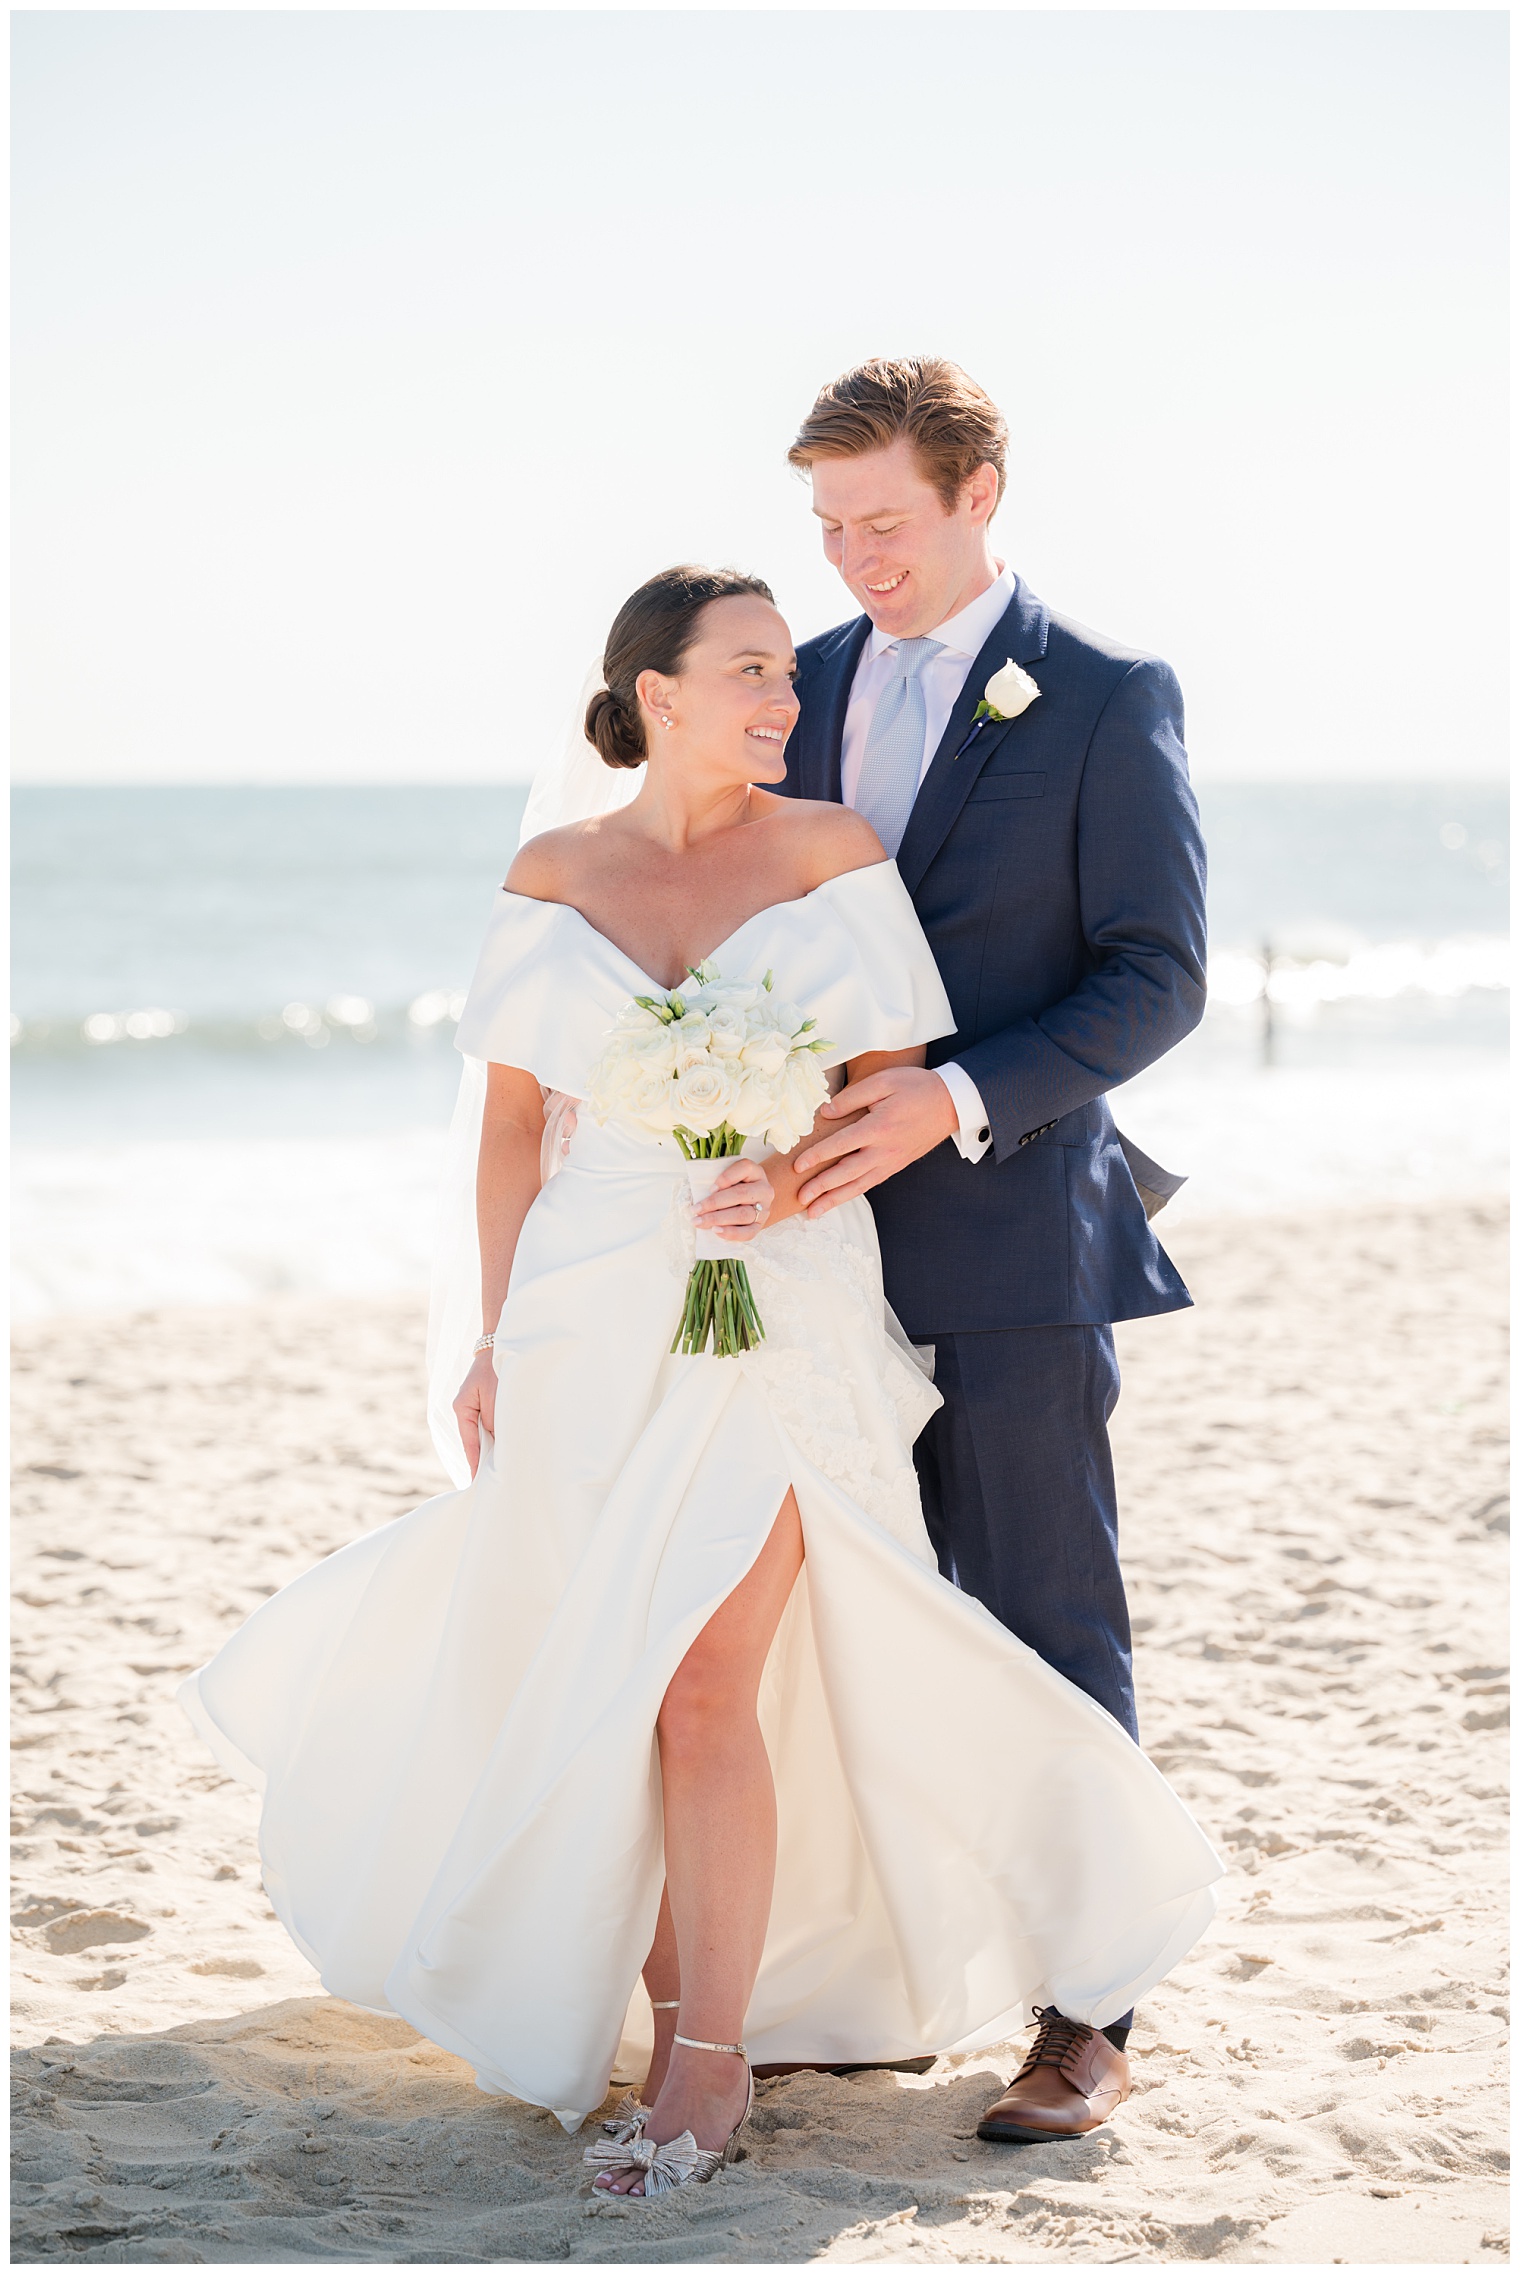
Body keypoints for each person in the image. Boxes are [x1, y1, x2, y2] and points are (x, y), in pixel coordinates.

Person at [180, 565, 1219, 2199]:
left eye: (786, 677)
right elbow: (516, 1125)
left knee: (704, 1682)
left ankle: (708, 2064)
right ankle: (686, 2018)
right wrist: (495, 1333)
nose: (785, 700)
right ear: (654, 695)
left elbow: (885, 1088)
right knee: (614, 1667)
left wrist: (793, 1173)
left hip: (781, 1296)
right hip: (593, 1305)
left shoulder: (830, 854)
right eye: (749, 672)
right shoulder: (551, 870)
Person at [779, 356, 1208, 2143]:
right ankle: (874, 1973)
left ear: (979, 493)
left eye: (884, 519)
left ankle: (1088, 2011)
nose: (855, 557)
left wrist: (951, 1097)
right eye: (828, 527)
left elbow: (1160, 976)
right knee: (844, 1612)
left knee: (1042, 1605)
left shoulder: (1108, 697)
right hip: (802, 1247)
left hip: (1019, 1225)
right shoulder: (783, 685)